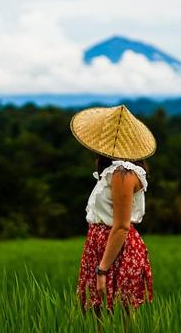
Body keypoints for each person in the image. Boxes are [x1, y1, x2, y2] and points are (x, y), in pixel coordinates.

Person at [71, 104, 155, 317]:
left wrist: (102, 270)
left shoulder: (122, 174)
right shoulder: (114, 172)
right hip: (101, 248)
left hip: (115, 251)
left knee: (114, 317)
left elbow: (120, 227)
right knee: (97, 317)